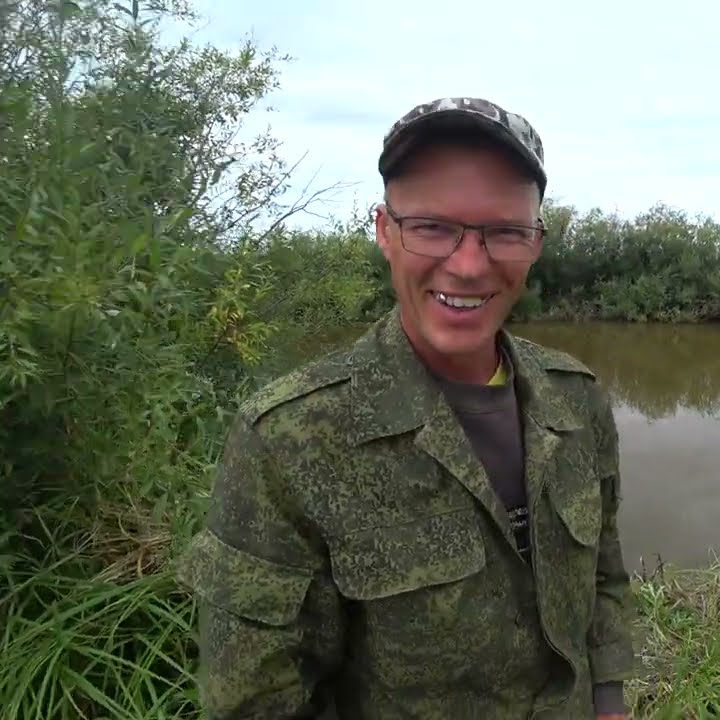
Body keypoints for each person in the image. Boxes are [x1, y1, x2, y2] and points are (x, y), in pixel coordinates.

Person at [177, 97, 637, 720]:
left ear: (535, 244)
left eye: (505, 232)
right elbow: (255, 700)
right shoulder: (288, 438)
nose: (470, 265)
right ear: (385, 231)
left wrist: (609, 700)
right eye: (432, 227)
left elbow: (604, 575)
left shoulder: (576, 397)